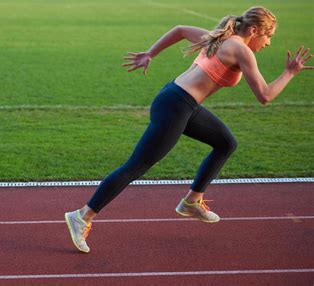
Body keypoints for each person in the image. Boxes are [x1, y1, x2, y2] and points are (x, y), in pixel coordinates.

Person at [64, 6, 312, 253]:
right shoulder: (241, 50)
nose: (268, 43)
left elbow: (180, 30)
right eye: (268, 36)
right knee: (136, 166)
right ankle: (83, 215)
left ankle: (191, 202)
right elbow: (265, 96)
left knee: (226, 143)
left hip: (179, 100)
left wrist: (151, 53)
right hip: (177, 106)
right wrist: (290, 72)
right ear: (255, 30)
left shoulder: (221, 37)